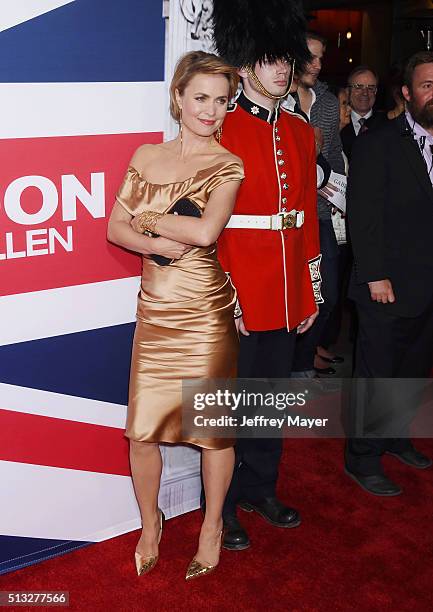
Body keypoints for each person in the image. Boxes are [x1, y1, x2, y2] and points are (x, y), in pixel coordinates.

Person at [107, 51, 244, 580]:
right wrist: (162, 231)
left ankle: (211, 527)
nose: (212, 111)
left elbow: (207, 233)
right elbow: (113, 230)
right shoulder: (146, 155)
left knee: (212, 430)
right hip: (157, 311)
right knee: (142, 433)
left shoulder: (228, 164)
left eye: (222, 101)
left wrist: (146, 217)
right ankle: (150, 523)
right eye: (201, 98)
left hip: (206, 314)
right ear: (178, 99)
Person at [212, 0, 322, 551]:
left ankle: (261, 487)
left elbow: (305, 220)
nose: (283, 70)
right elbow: (213, 228)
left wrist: (311, 293)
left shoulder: (303, 135)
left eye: (288, 60)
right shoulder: (223, 131)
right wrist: (226, 295)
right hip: (240, 292)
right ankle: (225, 507)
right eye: (271, 60)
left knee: (272, 399)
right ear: (248, 65)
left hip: (285, 294)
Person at [345, 51, 433, 496]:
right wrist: (375, 274)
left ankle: (396, 436)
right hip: (385, 284)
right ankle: (362, 457)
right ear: (407, 92)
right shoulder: (378, 140)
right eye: (427, 85)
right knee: (376, 375)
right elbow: (363, 215)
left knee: (412, 371)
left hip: (427, 285)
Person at [292, 32, 346, 377]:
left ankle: (304, 359)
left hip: (321, 213)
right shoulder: (276, 103)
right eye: (311, 56)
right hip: (283, 216)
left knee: (326, 295)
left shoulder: (326, 103)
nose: (318, 64)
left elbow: (335, 158)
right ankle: (290, 365)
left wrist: (335, 186)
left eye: (321, 57)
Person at [341, 65, 386, 161]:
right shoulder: (338, 124)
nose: (365, 93)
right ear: (348, 91)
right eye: (358, 87)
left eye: (370, 88)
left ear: (376, 91)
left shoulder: (387, 124)